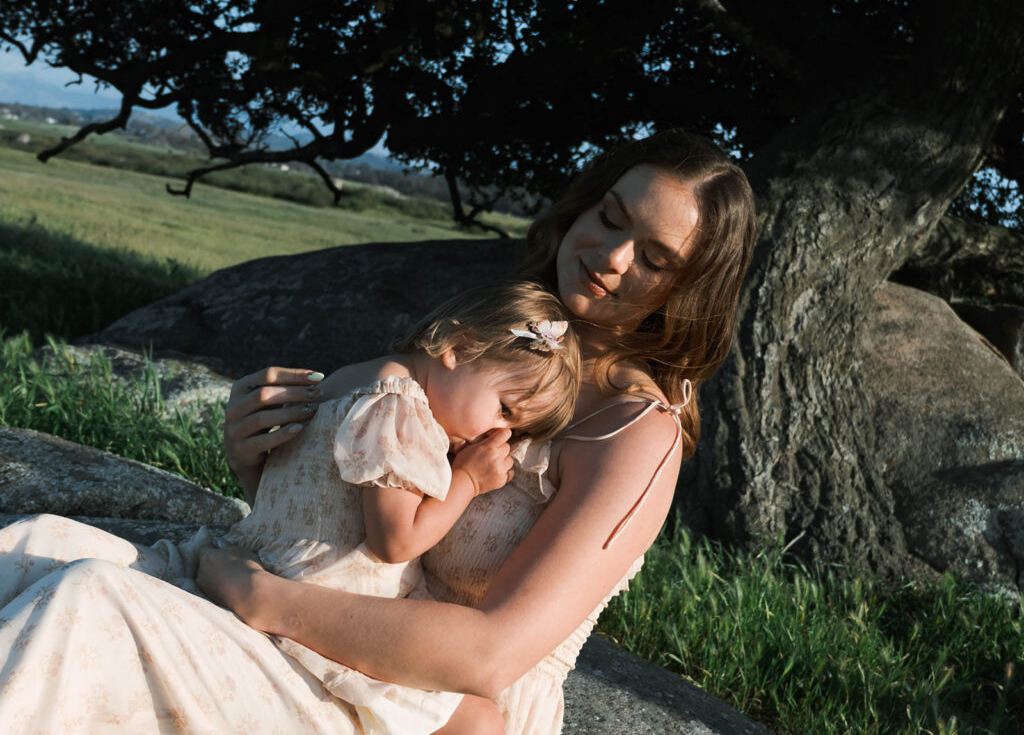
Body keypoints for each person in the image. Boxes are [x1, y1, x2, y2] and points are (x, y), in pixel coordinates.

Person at [0, 129, 756, 734]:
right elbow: (364, 511)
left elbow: (490, 654)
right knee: (29, 546)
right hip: (318, 623)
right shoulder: (508, 334)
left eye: (655, 258)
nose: (612, 256)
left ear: (689, 291)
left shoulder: (633, 433)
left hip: (415, 702)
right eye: (610, 217)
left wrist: (268, 603)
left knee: (91, 603)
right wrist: (261, 461)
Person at [0, 281, 580, 735]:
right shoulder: (403, 410)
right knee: (475, 720)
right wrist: (468, 483)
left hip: (257, 558)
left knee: (35, 541)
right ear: (453, 349)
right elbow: (393, 540)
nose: (499, 435)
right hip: (325, 604)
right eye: (505, 409)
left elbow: (301, 497)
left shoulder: (345, 381)